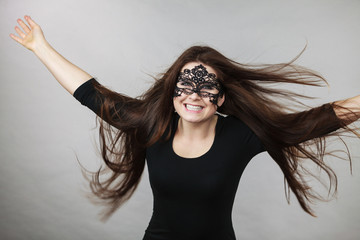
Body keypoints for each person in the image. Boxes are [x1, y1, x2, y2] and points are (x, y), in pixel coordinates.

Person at [10, 16, 360, 240]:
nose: (195, 96)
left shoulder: (241, 136)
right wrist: (40, 47)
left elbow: (314, 122)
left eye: (207, 88)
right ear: (172, 91)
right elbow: (90, 93)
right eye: (185, 85)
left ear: (221, 99)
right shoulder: (150, 126)